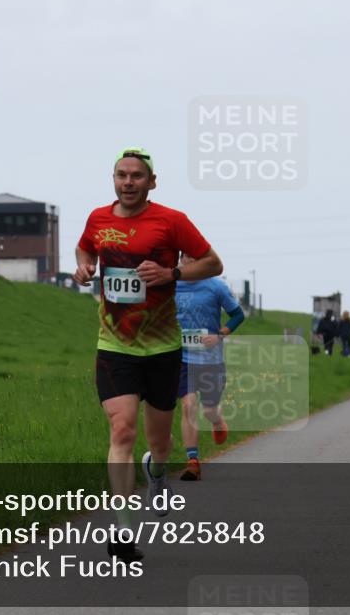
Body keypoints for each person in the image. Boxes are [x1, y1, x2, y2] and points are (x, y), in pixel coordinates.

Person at [74, 147, 223, 562]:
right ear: (114, 180)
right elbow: (84, 248)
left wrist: (171, 272)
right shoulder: (98, 219)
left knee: (160, 444)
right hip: (114, 345)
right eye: (121, 175)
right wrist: (84, 267)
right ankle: (122, 532)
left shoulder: (171, 221)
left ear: (151, 182)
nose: (128, 182)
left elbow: (213, 263)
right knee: (121, 431)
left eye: (137, 176)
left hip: (162, 347)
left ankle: (156, 472)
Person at [175, 256, 246, 481]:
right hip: (182, 357)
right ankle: (192, 461)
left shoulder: (215, 285)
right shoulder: (171, 284)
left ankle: (216, 420)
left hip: (210, 359)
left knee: (208, 410)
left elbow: (238, 314)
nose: (189, 260)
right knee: (188, 405)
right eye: (185, 256)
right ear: (180, 259)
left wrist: (220, 335)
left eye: (194, 256)